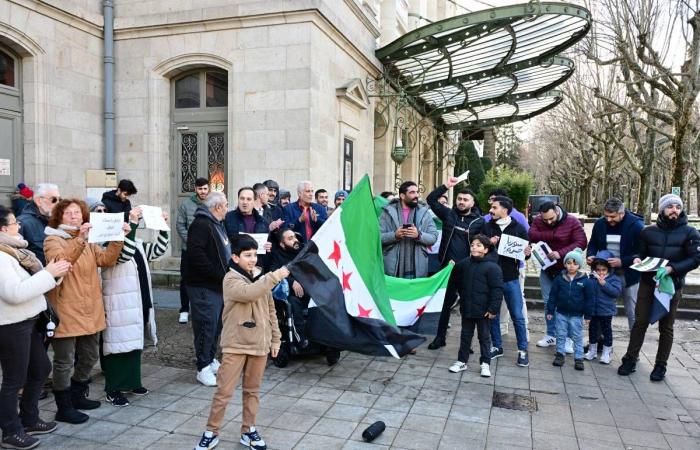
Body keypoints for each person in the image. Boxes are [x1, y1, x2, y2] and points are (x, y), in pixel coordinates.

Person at [195, 234, 289, 450]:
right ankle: (211, 431)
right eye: (247, 255)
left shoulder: (260, 276)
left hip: (259, 345)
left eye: (255, 254)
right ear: (235, 258)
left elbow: (271, 310)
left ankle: (248, 430)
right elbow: (249, 293)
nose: (253, 259)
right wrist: (276, 275)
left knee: (252, 391)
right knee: (224, 392)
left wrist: (276, 339)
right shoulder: (230, 279)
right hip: (235, 344)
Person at [43, 199, 127, 424]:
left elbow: (106, 259)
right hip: (66, 309)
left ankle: (77, 394)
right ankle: (63, 406)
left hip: (90, 308)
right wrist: (80, 238)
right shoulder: (53, 239)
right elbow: (61, 262)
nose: (74, 216)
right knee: (64, 361)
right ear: (59, 217)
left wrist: (118, 237)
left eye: (78, 213)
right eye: (68, 213)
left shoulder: (89, 242)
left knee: (89, 356)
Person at [0, 206, 71, 450]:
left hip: (28, 320)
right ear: (3, 229)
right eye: (13, 223)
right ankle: (10, 431)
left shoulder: (15, 251)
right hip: (10, 325)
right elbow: (15, 293)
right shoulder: (1, 256)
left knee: (41, 368)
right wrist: (48, 273)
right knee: (14, 379)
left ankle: (29, 418)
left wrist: (54, 273)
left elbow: (34, 282)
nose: (18, 225)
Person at [618, 194, 700, 381]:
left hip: (671, 285)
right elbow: (639, 252)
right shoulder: (648, 232)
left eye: (677, 207)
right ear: (662, 208)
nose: (674, 210)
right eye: (670, 206)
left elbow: (695, 259)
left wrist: (673, 268)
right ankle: (630, 358)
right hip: (648, 283)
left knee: (667, 327)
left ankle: (660, 365)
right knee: (640, 322)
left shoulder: (690, 233)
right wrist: (637, 259)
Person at [100, 206, 169, 407]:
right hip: (119, 302)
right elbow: (124, 255)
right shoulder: (106, 246)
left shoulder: (136, 243)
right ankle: (113, 389)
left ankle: (132, 382)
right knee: (117, 346)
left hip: (138, 300)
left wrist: (162, 228)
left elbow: (157, 251)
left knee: (134, 343)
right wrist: (133, 226)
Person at [426, 177, 484, 349]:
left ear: (472, 203)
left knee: (468, 307)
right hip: (447, 269)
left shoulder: (479, 222)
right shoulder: (448, 214)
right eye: (459, 199)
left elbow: (483, 246)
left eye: (465, 200)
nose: (461, 202)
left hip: (468, 270)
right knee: (444, 306)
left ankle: (467, 344)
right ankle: (440, 337)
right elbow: (430, 200)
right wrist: (446, 186)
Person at [185, 192, 231, 387]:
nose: (228, 209)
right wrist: (218, 274)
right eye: (226, 205)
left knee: (215, 325)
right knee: (205, 325)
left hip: (216, 285)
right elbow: (196, 255)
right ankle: (202, 368)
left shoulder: (215, 224)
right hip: (204, 285)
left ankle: (210, 359)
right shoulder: (201, 224)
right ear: (218, 207)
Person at [529, 201, 587, 351]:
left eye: (551, 219)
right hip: (546, 268)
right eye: (545, 219)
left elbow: (581, 242)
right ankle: (551, 335)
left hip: (566, 269)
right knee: (549, 302)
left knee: (566, 303)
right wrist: (553, 235)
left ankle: (568, 338)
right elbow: (531, 234)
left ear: (556, 211)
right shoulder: (538, 220)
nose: (548, 222)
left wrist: (560, 253)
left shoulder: (572, 221)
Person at [482, 196, 531, 367]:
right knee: (492, 313)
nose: (491, 210)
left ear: (505, 210)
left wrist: (527, 251)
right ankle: (497, 346)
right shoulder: (487, 226)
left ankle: (523, 350)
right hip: (491, 278)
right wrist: (489, 243)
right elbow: (478, 248)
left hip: (511, 278)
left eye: (494, 207)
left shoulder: (518, 228)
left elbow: (526, 252)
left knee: (517, 315)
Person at [445, 235, 503, 377]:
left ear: (486, 249)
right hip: (467, 308)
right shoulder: (464, 264)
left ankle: (485, 363)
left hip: (484, 311)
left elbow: (497, 289)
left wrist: (493, 309)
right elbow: (455, 281)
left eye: (478, 245)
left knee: (484, 337)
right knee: (465, 336)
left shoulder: (493, 267)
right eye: (472, 245)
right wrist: (450, 268)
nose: (474, 248)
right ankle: (461, 361)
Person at [586, 198, 644, 330]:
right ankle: (599, 340)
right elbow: (593, 243)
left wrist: (623, 261)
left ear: (622, 213)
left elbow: (642, 252)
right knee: (600, 306)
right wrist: (590, 255)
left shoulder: (636, 226)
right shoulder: (600, 224)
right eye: (606, 216)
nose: (608, 220)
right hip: (604, 272)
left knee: (632, 309)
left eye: (612, 217)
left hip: (629, 274)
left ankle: (634, 345)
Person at [379, 181, 438, 279]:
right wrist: (394, 235)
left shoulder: (424, 213)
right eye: (412, 192)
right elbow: (377, 237)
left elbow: (433, 237)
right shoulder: (387, 213)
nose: (416, 195)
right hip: (392, 267)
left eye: (417, 192)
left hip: (418, 267)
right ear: (402, 195)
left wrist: (418, 235)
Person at [546, 248, 593, 370]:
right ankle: (560, 355)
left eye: (575, 263)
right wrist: (550, 310)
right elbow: (553, 296)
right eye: (569, 263)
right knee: (560, 335)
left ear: (579, 265)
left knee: (577, 337)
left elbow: (589, 300)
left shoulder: (585, 281)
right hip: (561, 313)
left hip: (577, 315)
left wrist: (588, 315)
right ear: (565, 263)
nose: (571, 266)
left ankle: (579, 358)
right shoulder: (559, 279)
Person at [176, 177, 210, 324]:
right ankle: (184, 309)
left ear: (209, 189)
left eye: (205, 188)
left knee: (206, 279)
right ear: (195, 189)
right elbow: (180, 225)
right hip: (188, 250)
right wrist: (191, 241)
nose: (202, 191)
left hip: (208, 250)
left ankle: (204, 309)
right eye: (200, 189)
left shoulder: (213, 203)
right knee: (186, 279)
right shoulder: (186, 204)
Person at [584, 251, 622, 364]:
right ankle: (592, 350)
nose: (600, 272)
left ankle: (606, 353)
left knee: (607, 331)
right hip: (593, 311)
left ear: (609, 269)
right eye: (598, 270)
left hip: (606, 311)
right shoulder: (591, 278)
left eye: (603, 270)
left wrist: (604, 284)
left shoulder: (614, 279)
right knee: (592, 330)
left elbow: (616, 292)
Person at [224, 187, 271, 270]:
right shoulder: (227, 218)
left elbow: (268, 244)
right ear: (238, 199)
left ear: (254, 201)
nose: (244, 202)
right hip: (234, 266)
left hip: (256, 267)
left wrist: (268, 246)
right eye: (242, 198)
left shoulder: (263, 221)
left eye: (249, 199)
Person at [18, 183, 61, 265]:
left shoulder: (58, 219)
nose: (58, 203)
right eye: (54, 199)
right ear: (39, 201)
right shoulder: (23, 223)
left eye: (59, 199)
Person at [283, 181, 327, 245]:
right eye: (308, 191)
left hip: (315, 248)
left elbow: (327, 228)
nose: (311, 194)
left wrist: (317, 220)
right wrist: (299, 220)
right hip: (296, 248)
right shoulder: (288, 208)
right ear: (299, 194)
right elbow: (284, 230)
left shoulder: (320, 209)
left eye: (312, 191)